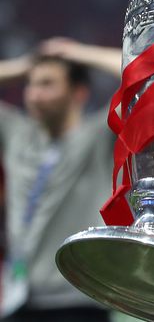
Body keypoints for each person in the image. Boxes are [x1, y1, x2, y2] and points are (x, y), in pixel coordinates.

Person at [0, 38, 122, 322]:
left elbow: (143, 75)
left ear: (78, 93)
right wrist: (25, 66)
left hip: (78, 301)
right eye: (31, 84)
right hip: (20, 299)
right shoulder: (18, 134)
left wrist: (80, 52)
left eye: (47, 84)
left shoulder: (97, 136)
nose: (33, 94)